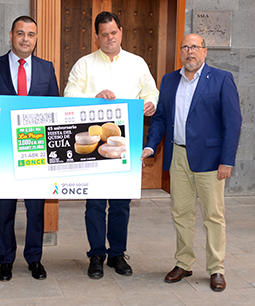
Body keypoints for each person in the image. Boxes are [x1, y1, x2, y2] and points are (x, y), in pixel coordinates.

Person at [141, 33, 242, 292]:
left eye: (195, 47)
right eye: (185, 47)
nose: (190, 52)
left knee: (213, 216)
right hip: (179, 157)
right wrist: (151, 145)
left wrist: (226, 161)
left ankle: (216, 268)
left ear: (205, 51)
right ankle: (184, 262)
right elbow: (161, 118)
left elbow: (232, 123)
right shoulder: (169, 80)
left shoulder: (221, 79)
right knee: (181, 213)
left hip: (210, 160)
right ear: (180, 52)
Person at [64, 11, 159, 279]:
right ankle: (96, 254)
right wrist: (93, 96)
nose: (109, 38)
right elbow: (69, 95)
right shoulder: (84, 64)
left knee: (120, 204)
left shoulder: (137, 63)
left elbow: (151, 92)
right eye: (104, 34)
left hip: (124, 146)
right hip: (93, 147)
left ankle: (117, 253)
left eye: (113, 33)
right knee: (94, 203)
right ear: (96, 36)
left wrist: (152, 102)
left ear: (121, 32)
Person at [0, 16, 59, 281]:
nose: (25, 39)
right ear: (11, 35)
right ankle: (6, 259)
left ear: (36, 38)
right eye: (20, 33)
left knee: (36, 206)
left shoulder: (47, 68)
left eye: (31, 34)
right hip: (6, 147)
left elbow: (55, 106)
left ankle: (34, 259)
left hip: (37, 148)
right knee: (6, 206)